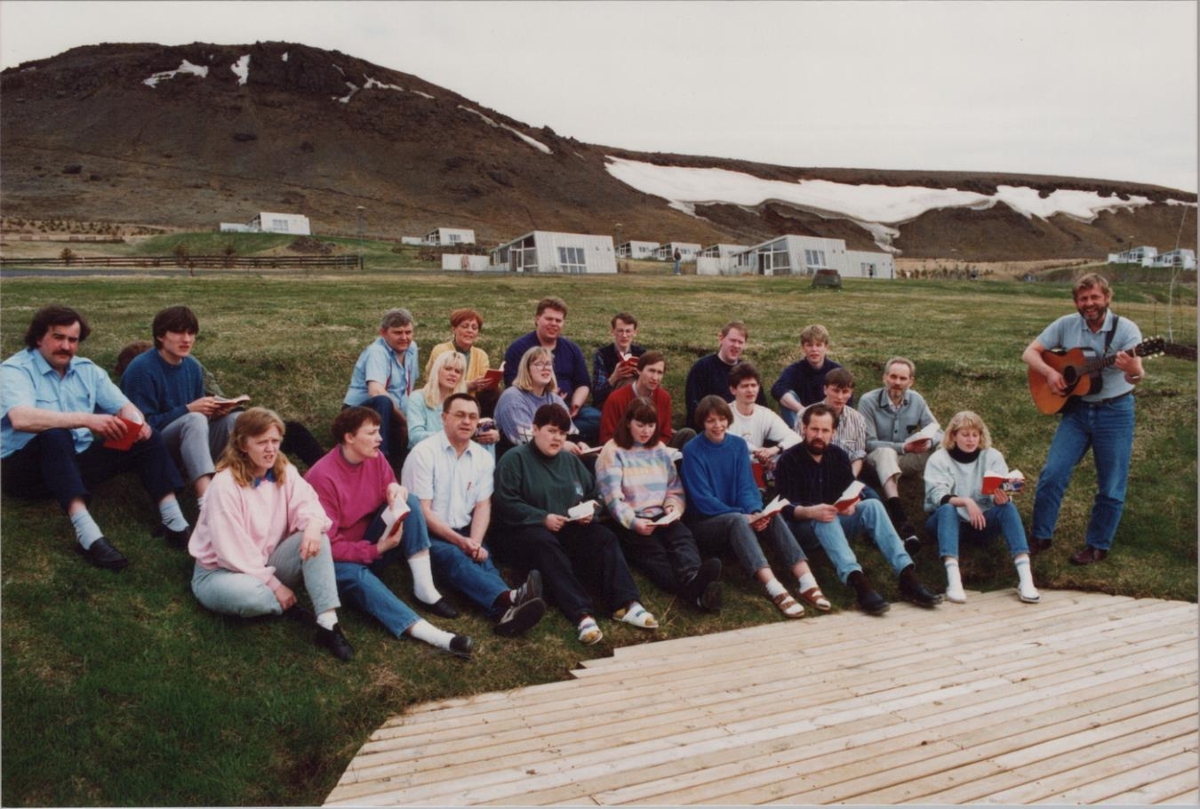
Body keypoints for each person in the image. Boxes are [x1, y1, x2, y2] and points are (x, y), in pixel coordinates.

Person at [1, 305, 190, 570]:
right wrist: (87, 419)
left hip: (73, 464)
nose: (66, 346)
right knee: (55, 435)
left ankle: (175, 524)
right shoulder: (15, 370)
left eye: (73, 340)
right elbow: (21, 418)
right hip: (25, 473)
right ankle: (88, 536)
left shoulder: (87, 370)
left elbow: (125, 406)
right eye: (58, 337)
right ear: (38, 338)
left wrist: (136, 423)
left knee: (147, 436)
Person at [304, 407, 474, 657]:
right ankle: (437, 637)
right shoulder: (322, 477)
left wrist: (396, 489)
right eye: (372, 433)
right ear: (349, 437)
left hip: (374, 539)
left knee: (411, 501)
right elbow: (327, 546)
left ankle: (425, 589)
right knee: (357, 577)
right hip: (338, 560)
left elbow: (389, 483)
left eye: (379, 431)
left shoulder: (374, 456)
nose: (380, 438)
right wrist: (376, 549)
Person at [119, 306, 325, 513]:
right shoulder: (141, 369)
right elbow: (142, 428)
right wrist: (188, 409)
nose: (186, 339)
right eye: (178, 333)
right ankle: (207, 502)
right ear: (160, 336)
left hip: (191, 437)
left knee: (237, 420)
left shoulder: (192, 366)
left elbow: (195, 418)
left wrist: (214, 412)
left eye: (191, 333)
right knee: (194, 419)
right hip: (156, 447)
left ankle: (257, 486)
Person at [188, 408, 354, 661]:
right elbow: (232, 552)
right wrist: (275, 586)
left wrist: (312, 525)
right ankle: (284, 604)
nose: (270, 449)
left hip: (265, 563)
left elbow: (309, 504)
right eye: (261, 442)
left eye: (275, 441)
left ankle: (328, 624)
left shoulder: (283, 470)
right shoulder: (224, 485)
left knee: (316, 535)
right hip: (221, 572)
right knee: (251, 596)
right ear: (243, 445)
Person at [492, 404, 657, 645]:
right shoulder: (514, 459)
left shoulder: (570, 460)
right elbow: (505, 502)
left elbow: (594, 494)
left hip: (569, 527)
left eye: (562, 433)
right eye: (551, 431)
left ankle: (627, 604)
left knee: (604, 537)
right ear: (535, 429)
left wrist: (590, 511)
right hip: (526, 532)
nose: (557, 438)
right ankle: (581, 614)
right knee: (544, 543)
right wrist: (542, 517)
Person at [1022, 272, 1145, 565]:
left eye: (1094, 297)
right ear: (1076, 302)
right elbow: (1029, 353)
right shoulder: (1066, 324)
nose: (1089, 303)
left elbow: (1137, 376)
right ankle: (1040, 536)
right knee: (1053, 473)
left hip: (1115, 411)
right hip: (1077, 411)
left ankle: (1098, 545)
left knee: (1111, 483)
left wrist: (1132, 369)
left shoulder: (1126, 330)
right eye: (1083, 298)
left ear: (1107, 297)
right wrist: (1050, 373)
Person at [775, 404, 942, 615]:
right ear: (803, 428)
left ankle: (907, 576)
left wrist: (850, 503)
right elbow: (784, 507)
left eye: (825, 430)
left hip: (834, 520)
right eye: (814, 429)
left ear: (833, 432)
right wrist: (811, 512)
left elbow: (849, 489)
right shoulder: (788, 460)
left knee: (872, 505)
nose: (819, 435)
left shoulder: (838, 455)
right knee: (825, 518)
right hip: (802, 528)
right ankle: (859, 583)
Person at [402, 393, 547, 636]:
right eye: (459, 415)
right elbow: (423, 512)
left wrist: (475, 543)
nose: (467, 422)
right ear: (444, 417)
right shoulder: (423, 454)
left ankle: (505, 614)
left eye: (472, 416)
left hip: (464, 529)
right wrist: (462, 543)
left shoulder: (482, 458)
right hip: (424, 533)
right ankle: (511, 598)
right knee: (454, 556)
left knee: (482, 561)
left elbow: (482, 505)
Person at [680, 395, 830, 619]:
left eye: (722, 419)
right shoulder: (692, 449)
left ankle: (807, 581)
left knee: (771, 514)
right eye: (711, 421)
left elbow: (746, 486)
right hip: (705, 522)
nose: (718, 425)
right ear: (702, 422)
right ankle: (774, 587)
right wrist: (744, 516)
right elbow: (702, 499)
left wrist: (755, 512)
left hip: (738, 516)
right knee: (737, 520)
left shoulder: (738, 445)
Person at [117, 335, 324, 473]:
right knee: (275, 437)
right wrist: (190, 410)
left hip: (217, 430)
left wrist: (219, 409)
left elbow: (210, 394)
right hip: (192, 443)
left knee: (288, 431)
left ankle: (325, 469)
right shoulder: (140, 381)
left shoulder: (188, 368)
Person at [595, 397, 722, 611]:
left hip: (661, 515)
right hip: (630, 520)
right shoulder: (613, 451)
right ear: (628, 422)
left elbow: (674, 487)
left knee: (682, 538)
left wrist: (673, 507)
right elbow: (612, 498)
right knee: (654, 554)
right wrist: (634, 522)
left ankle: (693, 576)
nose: (646, 431)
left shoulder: (660, 449)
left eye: (651, 425)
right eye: (640, 425)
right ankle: (695, 592)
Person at [924, 411, 1040, 604]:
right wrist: (966, 501)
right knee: (947, 509)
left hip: (982, 523)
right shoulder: (939, 459)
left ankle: (1026, 579)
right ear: (953, 435)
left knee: (1008, 509)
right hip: (948, 523)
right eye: (965, 435)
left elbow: (998, 489)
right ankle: (954, 581)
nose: (970, 440)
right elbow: (937, 495)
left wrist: (1002, 498)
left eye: (975, 435)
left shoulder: (992, 456)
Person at [859, 357, 942, 538]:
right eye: (893, 377)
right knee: (886, 452)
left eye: (903, 378)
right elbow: (868, 442)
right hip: (875, 462)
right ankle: (898, 513)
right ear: (884, 377)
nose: (897, 382)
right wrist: (903, 447)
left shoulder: (916, 399)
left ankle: (944, 500)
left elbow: (938, 431)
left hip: (905, 460)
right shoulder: (868, 401)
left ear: (910, 381)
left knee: (944, 447)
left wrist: (929, 442)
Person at [502, 297, 600, 442]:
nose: (554, 323)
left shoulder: (572, 349)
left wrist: (575, 404)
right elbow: (513, 383)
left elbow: (583, 383)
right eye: (549, 319)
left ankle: (562, 438)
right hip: (533, 406)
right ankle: (561, 439)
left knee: (597, 419)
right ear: (537, 319)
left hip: (569, 408)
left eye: (558, 320)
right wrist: (548, 396)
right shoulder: (518, 348)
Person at [343, 308, 420, 470]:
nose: (404, 337)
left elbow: (408, 388)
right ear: (383, 333)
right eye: (397, 333)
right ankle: (379, 460)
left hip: (392, 413)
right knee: (383, 401)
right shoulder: (377, 352)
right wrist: (405, 421)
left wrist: (413, 420)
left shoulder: (412, 348)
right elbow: (376, 391)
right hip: (360, 412)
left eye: (408, 332)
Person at [494, 346, 588, 455]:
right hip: (519, 457)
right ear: (527, 370)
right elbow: (523, 438)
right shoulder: (512, 396)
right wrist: (561, 445)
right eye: (539, 364)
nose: (545, 368)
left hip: (551, 454)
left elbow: (569, 430)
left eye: (548, 364)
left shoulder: (554, 398)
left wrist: (579, 443)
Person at [407, 350, 500, 454]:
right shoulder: (417, 397)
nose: (453, 374)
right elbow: (415, 436)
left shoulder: (461, 399)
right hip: (429, 452)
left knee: (486, 437)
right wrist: (454, 436)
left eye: (457, 371)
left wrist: (494, 435)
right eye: (448, 369)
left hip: (457, 450)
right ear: (437, 370)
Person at [598, 351, 694, 448]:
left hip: (654, 448)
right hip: (624, 449)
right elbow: (606, 437)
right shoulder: (616, 398)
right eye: (651, 371)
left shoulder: (664, 398)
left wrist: (650, 449)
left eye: (659, 373)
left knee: (688, 434)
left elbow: (665, 434)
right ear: (639, 370)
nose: (655, 377)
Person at [684, 320, 766, 426]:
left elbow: (761, 408)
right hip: (712, 427)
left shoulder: (747, 371)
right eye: (733, 340)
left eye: (740, 342)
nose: (736, 345)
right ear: (721, 338)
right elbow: (694, 407)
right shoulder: (702, 368)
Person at [424, 308, 501, 417]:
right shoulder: (441, 350)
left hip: (474, 402)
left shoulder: (481, 355)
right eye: (465, 326)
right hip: (444, 399)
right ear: (454, 329)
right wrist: (469, 385)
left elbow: (483, 383)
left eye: (474, 328)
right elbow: (439, 382)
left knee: (495, 392)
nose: (470, 331)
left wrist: (487, 382)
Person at [771, 324, 849, 429]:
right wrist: (802, 410)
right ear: (803, 347)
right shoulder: (795, 370)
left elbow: (847, 401)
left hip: (829, 422)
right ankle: (797, 435)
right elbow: (777, 389)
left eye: (818, 345)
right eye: (809, 345)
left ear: (826, 347)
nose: (814, 349)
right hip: (802, 421)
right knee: (787, 395)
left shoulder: (837, 370)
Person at [798, 368, 869, 479]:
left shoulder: (858, 419)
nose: (840, 397)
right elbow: (797, 451)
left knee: (871, 492)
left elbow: (858, 455)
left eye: (845, 392)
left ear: (851, 393)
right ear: (825, 389)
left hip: (845, 475)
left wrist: (850, 478)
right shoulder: (805, 414)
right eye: (836, 391)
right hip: (812, 475)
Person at [727, 362, 799, 471]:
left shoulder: (764, 414)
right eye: (744, 386)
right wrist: (757, 451)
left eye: (753, 385)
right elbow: (728, 439)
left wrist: (774, 449)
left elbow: (796, 438)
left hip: (755, 469)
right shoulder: (723, 413)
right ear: (733, 390)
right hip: (729, 468)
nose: (750, 390)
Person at [591, 312, 646, 411]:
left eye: (628, 331)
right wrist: (614, 377)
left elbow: (652, 386)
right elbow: (597, 395)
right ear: (612, 331)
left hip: (637, 403)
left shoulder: (642, 354)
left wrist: (640, 374)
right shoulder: (602, 354)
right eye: (620, 331)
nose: (624, 335)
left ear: (635, 332)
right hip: (611, 404)